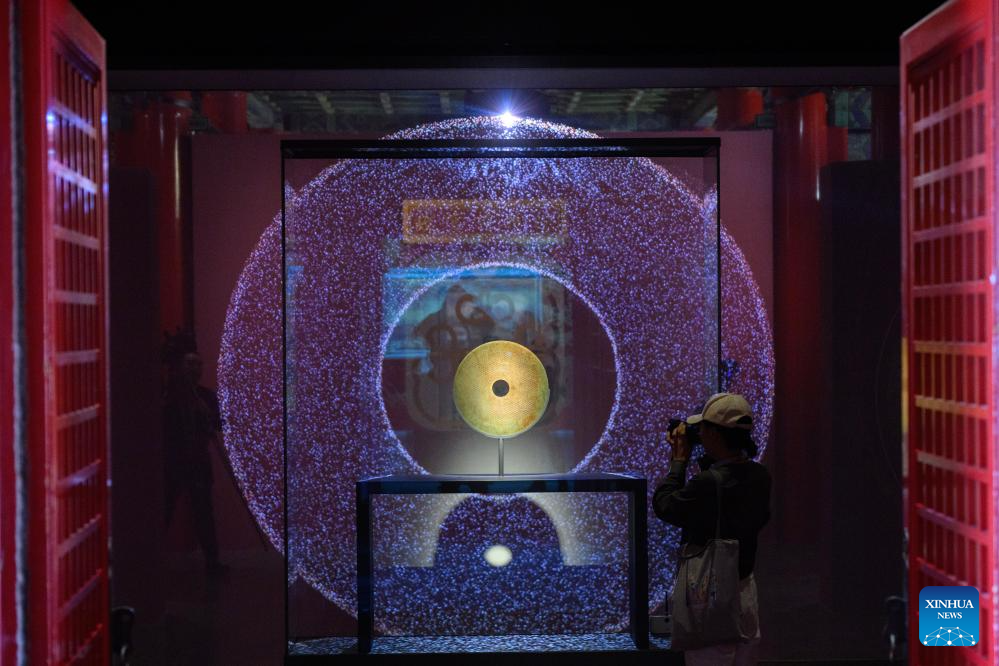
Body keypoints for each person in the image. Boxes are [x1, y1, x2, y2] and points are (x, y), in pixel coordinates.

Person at [652, 392, 772, 666]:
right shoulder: (760, 476)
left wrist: (678, 462)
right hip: (745, 591)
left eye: (703, 428)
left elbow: (665, 505)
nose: (699, 434)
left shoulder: (707, 484)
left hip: (710, 596)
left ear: (716, 434)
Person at [163, 351, 228, 576]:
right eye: (190, 363)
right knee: (164, 511)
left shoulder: (206, 396)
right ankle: (149, 562)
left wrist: (207, 414)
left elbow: (220, 424)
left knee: (204, 513)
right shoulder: (168, 396)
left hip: (198, 461)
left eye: (198, 364)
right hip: (173, 462)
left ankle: (212, 561)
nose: (195, 369)